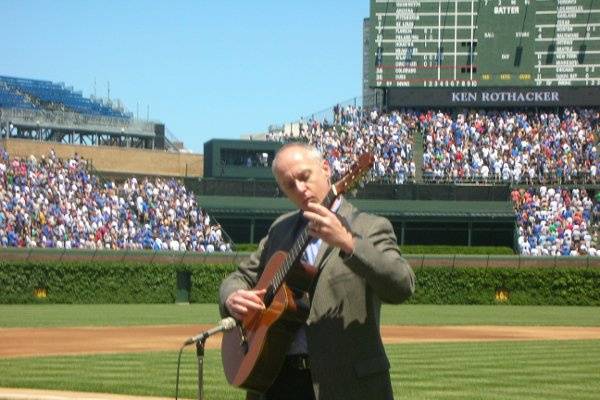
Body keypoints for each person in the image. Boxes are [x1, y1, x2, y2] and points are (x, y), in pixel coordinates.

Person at [219, 142, 415, 400]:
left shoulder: (370, 227)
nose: (300, 189)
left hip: (345, 384)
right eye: (290, 185)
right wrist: (232, 297)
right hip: (275, 381)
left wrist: (348, 243)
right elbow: (239, 278)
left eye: (304, 177)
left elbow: (402, 285)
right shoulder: (280, 229)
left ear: (325, 169)